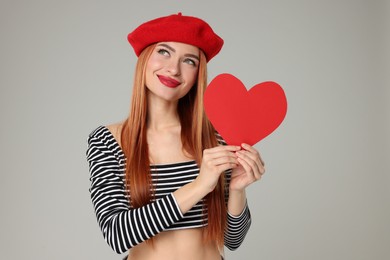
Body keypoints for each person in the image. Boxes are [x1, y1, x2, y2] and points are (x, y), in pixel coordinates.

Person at [86, 12, 265, 260]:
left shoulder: (217, 137)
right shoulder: (108, 140)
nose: (173, 69)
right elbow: (118, 234)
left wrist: (237, 189)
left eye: (189, 61)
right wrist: (201, 185)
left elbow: (232, 240)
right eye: (164, 52)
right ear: (145, 59)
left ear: (197, 75)